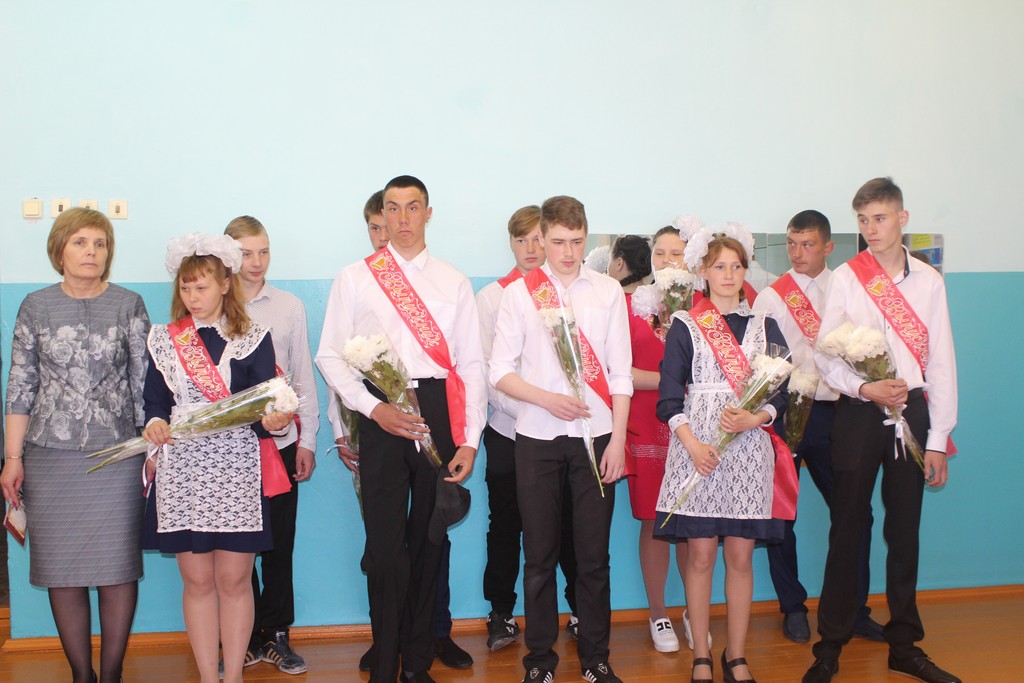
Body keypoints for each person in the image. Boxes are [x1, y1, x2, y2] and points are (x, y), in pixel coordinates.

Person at [316, 175, 486, 683]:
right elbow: (329, 356)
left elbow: (471, 365)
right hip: (382, 415)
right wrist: (373, 410)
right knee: (386, 549)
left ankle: (416, 664)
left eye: (413, 207)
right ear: (382, 216)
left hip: (437, 410)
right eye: (394, 208)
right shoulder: (355, 277)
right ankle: (385, 665)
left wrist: (470, 439)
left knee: (430, 542)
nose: (404, 218)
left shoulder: (454, 281)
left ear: (428, 214)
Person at [803, 178, 960, 683]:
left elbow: (942, 364)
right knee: (847, 526)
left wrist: (937, 440)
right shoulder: (849, 277)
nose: (871, 229)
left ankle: (905, 646)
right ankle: (830, 644)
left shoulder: (929, 282)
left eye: (880, 218)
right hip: (858, 413)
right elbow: (827, 355)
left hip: (912, 410)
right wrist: (865, 388)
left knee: (904, 530)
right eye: (863, 220)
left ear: (902, 219)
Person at [1, 207, 150, 683]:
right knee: (61, 569)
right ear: (59, 251)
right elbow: (20, 386)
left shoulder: (129, 304)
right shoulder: (35, 306)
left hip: (118, 454)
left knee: (118, 566)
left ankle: (112, 675)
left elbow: (144, 386)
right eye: (80, 242)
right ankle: (81, 676)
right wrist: (12, 458)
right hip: (49, 456)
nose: (91, 252)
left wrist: (152, 452)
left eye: (100, 243)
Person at [490, 195, 632, 683]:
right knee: (539, 557)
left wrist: (618, 442)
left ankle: (596, 658)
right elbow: (499, 371)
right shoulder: (520, 294)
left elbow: (621, 374)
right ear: (541, 239)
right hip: (537, 438)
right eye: (557, 242)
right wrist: (547, 399)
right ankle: (539, 662)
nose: (567, 253)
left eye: (576, 241)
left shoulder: (608, 292)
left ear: (586, 238)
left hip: (598, 438)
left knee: (593, 557)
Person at [141, 233, 294, 683]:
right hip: (183, 470)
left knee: (233, 581)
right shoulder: (165, 339)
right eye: (186, 287)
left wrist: (275, 420)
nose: (193, 296)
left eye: (202, 286)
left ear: (225, 285)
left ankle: (235, 677)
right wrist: (155, 422)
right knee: (198, 582)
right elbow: (154, 401)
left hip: (235, 470)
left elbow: (264, 407)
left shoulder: (253, 338)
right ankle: (209, 676)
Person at [654, 225, 789, 683]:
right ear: (703, 273)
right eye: (719, 266)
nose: (728, 275)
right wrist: (692, 446)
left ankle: (737, 654)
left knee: (741, 558)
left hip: (749, 453)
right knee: (700, 557)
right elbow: (669, 398)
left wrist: (758, 417)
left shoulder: (766, 326)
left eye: (736, 266)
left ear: (746, 271)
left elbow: (782, 392)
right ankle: (701, 654)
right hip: (697, 451)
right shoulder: (686, 325)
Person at [751, 210, 884, 644]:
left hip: (837, 412)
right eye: (792, 244)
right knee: (781, 513)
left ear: (828, 247)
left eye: (807, 244)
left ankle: (852, 609)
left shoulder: (848, 288)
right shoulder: (772, 296)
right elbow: (759, 359)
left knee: (853, 511)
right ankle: (792, 605)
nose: (798, 253)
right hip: (784, 412)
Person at [476, 205, 580, 652]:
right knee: (506, 522)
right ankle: (501, 612)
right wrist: (532, 410)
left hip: (560, 431)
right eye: (522, 240)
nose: (532, 248)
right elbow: (488, 371)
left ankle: (578, 608)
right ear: (511, 244)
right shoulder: (492, 297)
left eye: (540, 238)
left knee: (567, 521)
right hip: (507, 428)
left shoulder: (567, 292)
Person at [224, 216, 321, 674]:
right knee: (237, 548)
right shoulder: (213, 305)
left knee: (280, 543)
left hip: (281, 444)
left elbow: (302, 378)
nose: (256, 261)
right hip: (229, 450)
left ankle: (278, 633)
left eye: (263, 251)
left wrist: (308, 439)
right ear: (228, 256)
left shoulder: (288, 306)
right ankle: (245, 637)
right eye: (246, 253)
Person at [611, 231, 705, 654]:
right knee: (655, 521)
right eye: (660, 253)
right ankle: (657, 612)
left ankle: (694, 612)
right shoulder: (631, 305)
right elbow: (620, 372)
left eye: (677, 253)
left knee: (693, 525)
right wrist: (673, 384)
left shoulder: (704, 306)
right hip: (647, 426)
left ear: (692, 258)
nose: (668, 260)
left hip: (697, 429)